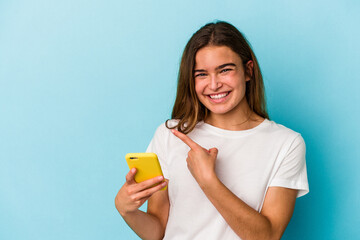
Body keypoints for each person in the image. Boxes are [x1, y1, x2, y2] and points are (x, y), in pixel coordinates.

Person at [115, 21, 309, 240]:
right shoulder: (170, 134)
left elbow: (268, 236)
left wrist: (208, 181)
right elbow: (157, 231)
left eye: (225, 70)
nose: (214, 84)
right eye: (201, 74)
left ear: (248, 70)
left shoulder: (286, 143)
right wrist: (126, 210)